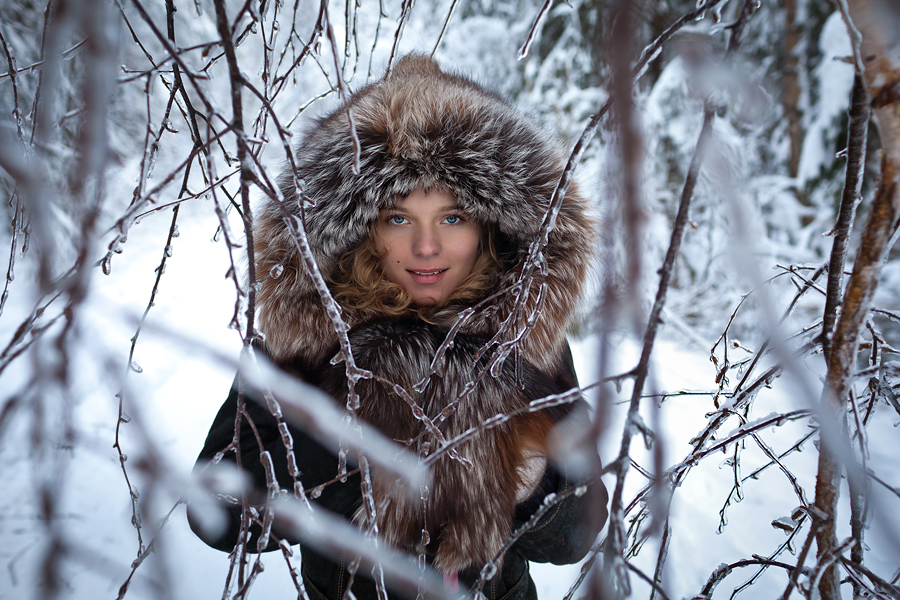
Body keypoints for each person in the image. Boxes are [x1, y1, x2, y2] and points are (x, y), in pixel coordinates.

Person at [189, 53, 608, 600]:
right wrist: (350, 449)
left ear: (488, 228)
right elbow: (216, 513)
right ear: (362, 228)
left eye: (452, 218)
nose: (427, 246)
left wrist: (526, 482)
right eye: (399, 217)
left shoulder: (524, 336)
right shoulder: (308, 338)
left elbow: (577, 533)